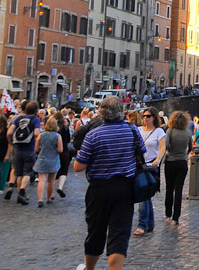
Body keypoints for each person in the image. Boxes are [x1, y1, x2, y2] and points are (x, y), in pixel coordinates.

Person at [73, 96, 145, 270]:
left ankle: (89, 268)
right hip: (125, 188)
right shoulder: (132, 130)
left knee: (96, 231)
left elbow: (78, 166)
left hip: (99, 189)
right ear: (122, 112)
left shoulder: (93, 135)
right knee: (119, 234)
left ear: (101, 114)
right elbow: (142, 153)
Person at [132, 107, 166, 236]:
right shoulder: (139, 130)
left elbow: (162, 148)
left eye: (148, 116)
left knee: (144, 193)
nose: (145, 118)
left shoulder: (159, 132)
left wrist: (158, 160)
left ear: (153, 118)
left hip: (151, 165)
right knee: (145, 194)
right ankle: (149, 223)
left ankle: (142, 224)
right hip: (140, 165)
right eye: (144, 116)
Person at [5, 100, 42, 205]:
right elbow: (36, 133)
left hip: (17, 148)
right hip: (29, 148)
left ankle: (12, 188)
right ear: (36, 110)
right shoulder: (35, 120)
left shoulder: (19, 119)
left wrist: (11, 143)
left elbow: (9, 132)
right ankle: (21, 192)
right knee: (27, 172)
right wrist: (38, 144)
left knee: (18, 171)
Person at [164, 111, 193, 225]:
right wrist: (184, 154)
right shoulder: (188, 132)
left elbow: (166, 146)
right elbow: (190, 147)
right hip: (182, 162)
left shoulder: (170, 131)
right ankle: (176, 216)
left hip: (171, 161)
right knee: (179, 190)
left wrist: (169, 152)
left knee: (169, 188)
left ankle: (168, 212)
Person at [33, 115, 63, 206]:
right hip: (53, 159)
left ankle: (40, 200)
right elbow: (60, 150)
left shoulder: (41, 135)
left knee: (42, 180)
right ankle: (49, 198)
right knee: (51, 180)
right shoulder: (58, 136)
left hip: (42, 159)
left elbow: (36, 149)